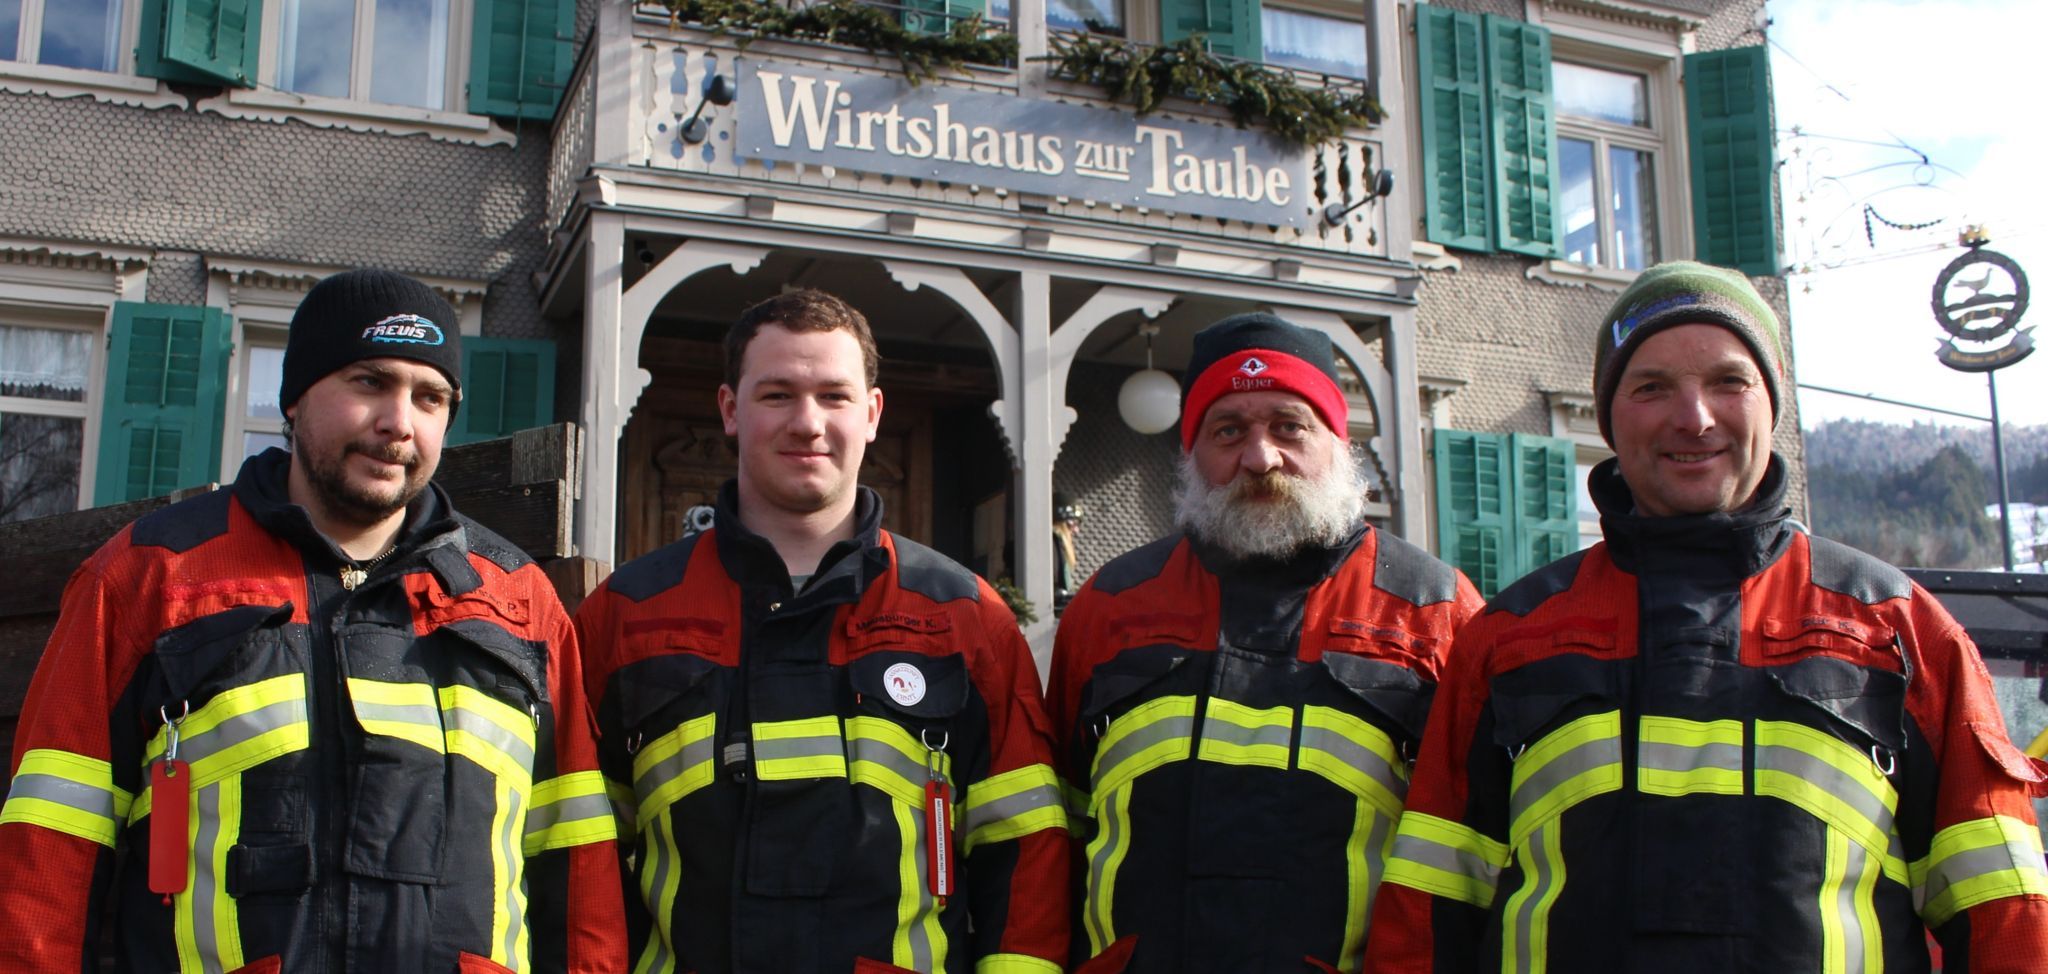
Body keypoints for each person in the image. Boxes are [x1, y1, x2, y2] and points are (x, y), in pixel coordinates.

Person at [1366, 261, 2048, 972]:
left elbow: (2004, 908)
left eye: (1729, 381)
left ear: (1771, 404)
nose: (1693, 418)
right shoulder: (1508, 639)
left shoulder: (1900, 629)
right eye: (1652, 387)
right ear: (1609, 415)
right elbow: (1427, 911)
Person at [0, 269, 626, 971]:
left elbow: (578, 863)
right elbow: (50, 850)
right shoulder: (151, 578)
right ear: (294, 398)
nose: (399, 422)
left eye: (430, 397)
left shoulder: (520, 600)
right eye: (369, 383)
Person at [574, 289, 1069, 974]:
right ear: (729, 410)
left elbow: (1026, 848)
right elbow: (584, 862)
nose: (807, 423)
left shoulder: (964, 617)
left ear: (871, 414)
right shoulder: (626, 615)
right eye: (777, 394)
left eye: (834, 396)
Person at [1049, 312, 1484, 974]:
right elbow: (1060, 832)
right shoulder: (1110, 607)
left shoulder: (1434, 610)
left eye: (1289, 426)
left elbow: (1467, 858)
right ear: (1191, 453)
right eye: (1229, 431)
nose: (1260, 458)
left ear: (1338, 442)